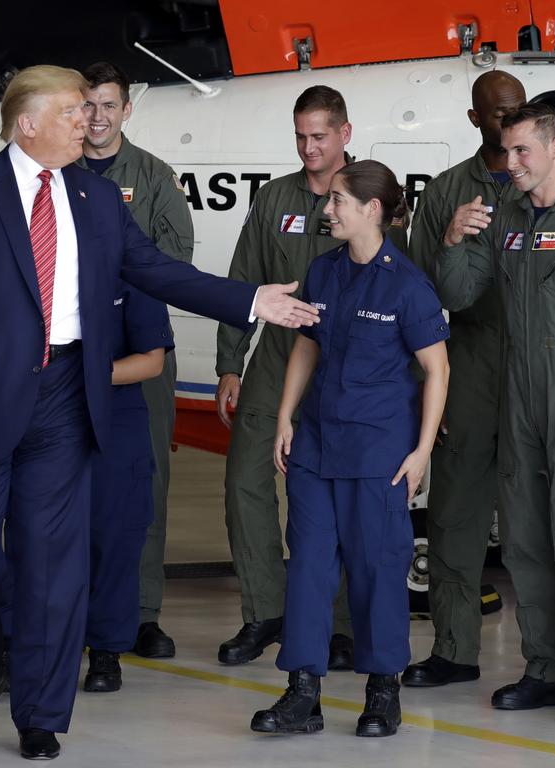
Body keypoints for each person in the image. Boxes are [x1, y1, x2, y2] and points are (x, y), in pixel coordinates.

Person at [0, 64, 319, 760]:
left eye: (89, 112)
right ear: (26, 121)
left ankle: (41, 712)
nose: (87, 121)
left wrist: (250, 301)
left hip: (69, 394)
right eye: (71, 112)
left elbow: (157, 270)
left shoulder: (96, 199)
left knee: (53, 564)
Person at [251, 160, 449, 737]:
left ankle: (383, 691)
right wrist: (286, 416)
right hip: (315, 445)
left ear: (372, 209)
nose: (327, 208)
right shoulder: (322, 271)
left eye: (338, 200)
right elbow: (307, 347)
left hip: (378, 455)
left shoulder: (407, 286)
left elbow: (436, 370)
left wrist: (421, 451)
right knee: (309, 567)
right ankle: (302, 694)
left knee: (377, 569)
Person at [215, 86, 408, 669]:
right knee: (245, 486)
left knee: (346, 498)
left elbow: (404, 290)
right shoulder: (274, 198)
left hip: (352, 369)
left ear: (345, 134)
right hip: (279, 359)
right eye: (300, 136)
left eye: (319, 136)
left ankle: (341, 628)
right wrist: (230, 363)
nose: (308, 148)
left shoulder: (373, 195)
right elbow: (243, 278)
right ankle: (263, 612)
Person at [436, 103, 555, 724]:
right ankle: (548, 669)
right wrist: (453, 241)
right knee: (526, 538)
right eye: (506, 152)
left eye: (523, 151)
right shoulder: (504, 216)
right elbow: (460, 294)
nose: (511, 164)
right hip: (520, 396)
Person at [402, 70, 526, 688]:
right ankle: (454, 651)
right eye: (498, 113)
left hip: (538, 368)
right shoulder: (450, 191)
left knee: (542, 522)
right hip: (470, 364)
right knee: (455, 515)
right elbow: (419, 290)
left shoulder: (552, 186)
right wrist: (431, 390)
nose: (509, 121)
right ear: (475, 118)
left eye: (518, 110)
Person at [77, 61, 194, 659]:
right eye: (88, 105)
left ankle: (142, 612)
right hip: (69, 349)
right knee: (66, 481)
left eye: (108, 105)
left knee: (143, 482)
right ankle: (77, 612)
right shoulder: (55, 170)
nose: (97, 118)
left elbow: (173, 260)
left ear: (127, 110)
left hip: (139, 346)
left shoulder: (153, 176)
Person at [83, 279, 172, 693]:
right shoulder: (40, 259)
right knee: (38, 537)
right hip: (46, 411)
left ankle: (105, 650)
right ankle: (27, 645)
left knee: (115, 536)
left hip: (115, 416)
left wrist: (84, 373)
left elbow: (152, 361)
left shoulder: (132, 272)